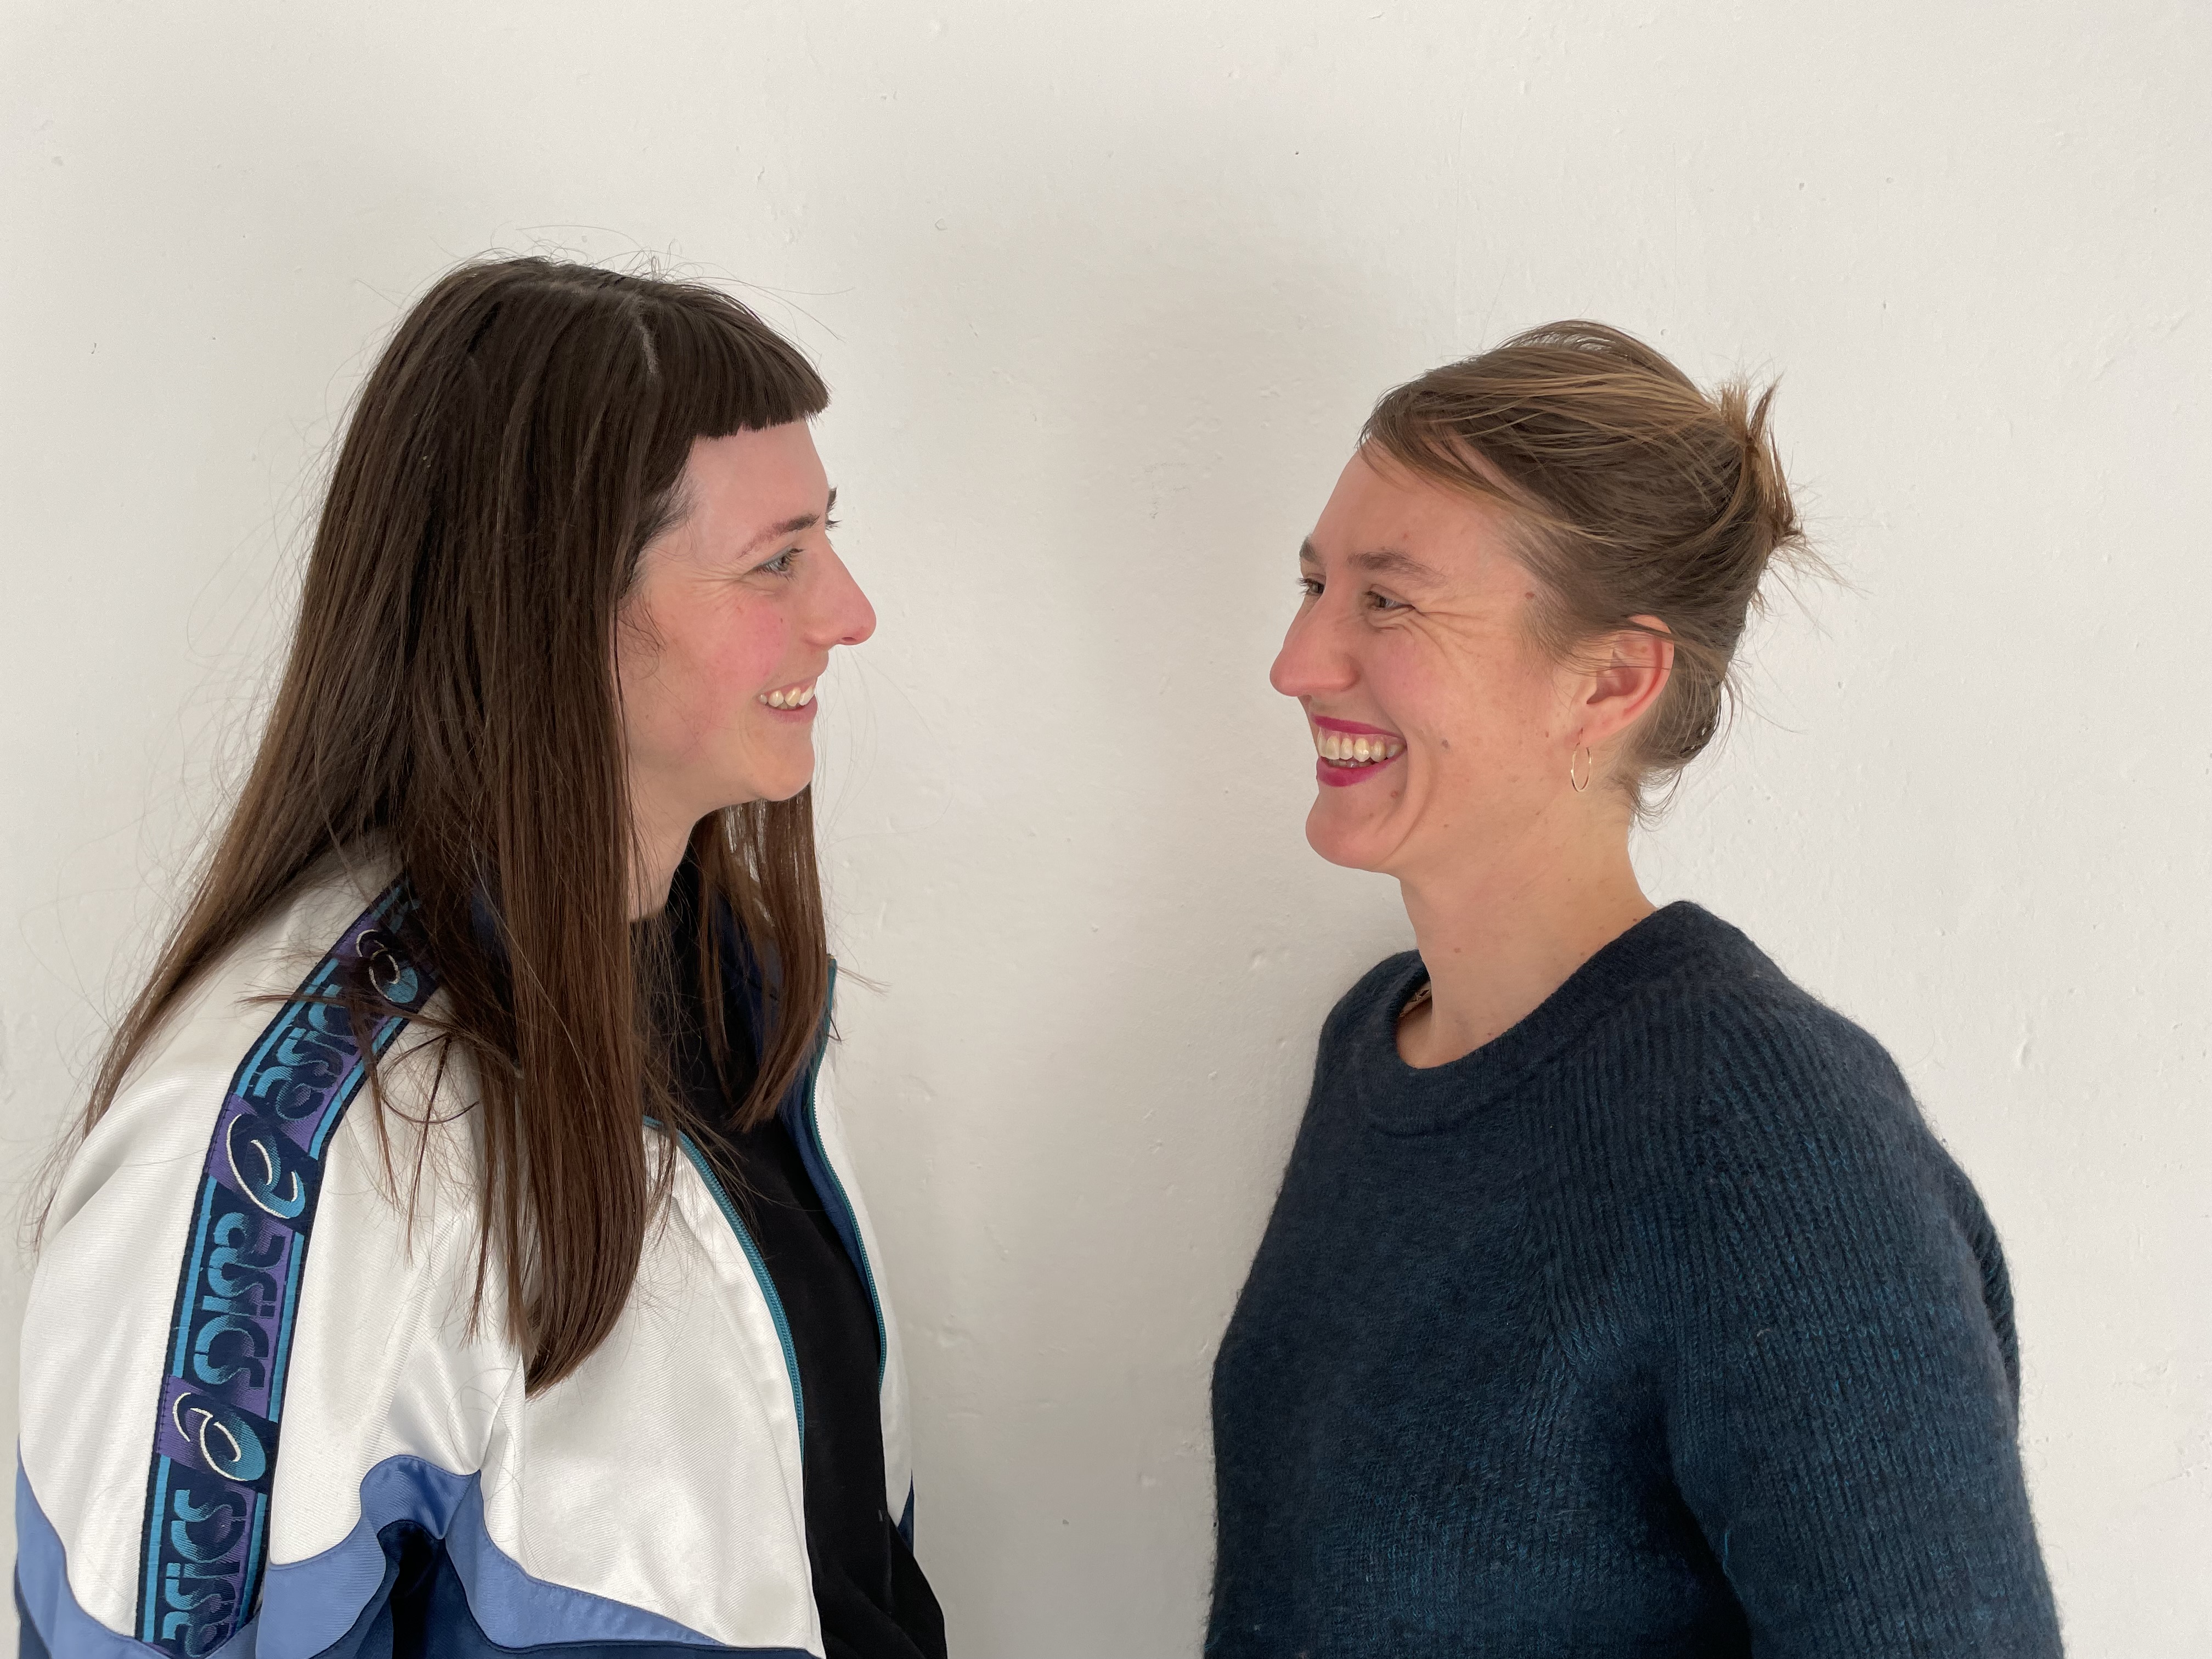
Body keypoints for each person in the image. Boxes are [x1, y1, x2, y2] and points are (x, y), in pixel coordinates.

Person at [14, 258, 945, 1659]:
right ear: (558, 608)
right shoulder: (284, 1159)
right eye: (778, 561)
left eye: (828, 539)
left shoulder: (732, 981)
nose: (850, 611)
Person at [1207, 323, 2063, 1657]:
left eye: (1387, 602)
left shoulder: (1767, 1135)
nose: (1297, 660)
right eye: (1314, 584)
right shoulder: (1377, 1044)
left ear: (1611, 680)